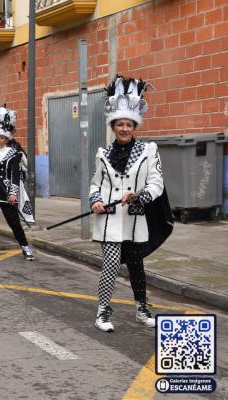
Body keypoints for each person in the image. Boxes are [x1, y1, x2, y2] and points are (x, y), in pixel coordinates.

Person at [90, 75, 167, 332]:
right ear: (113, 126)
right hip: (110, 219)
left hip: (135, 219)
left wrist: (139, 196)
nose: (124, 128)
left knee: (136, 264)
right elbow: (95, 184)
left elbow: (156, 184)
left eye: (129, 125)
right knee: (110, 264)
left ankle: (141, 308)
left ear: (135, 126)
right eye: (119, 124)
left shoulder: (148, 151)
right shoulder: (103, 154)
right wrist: (96, 201)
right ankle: (102, 312)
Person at [0, 106, 35, 262]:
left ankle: (25, 247)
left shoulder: (14, 154)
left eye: (2, 137)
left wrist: (14, 193)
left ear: (7, 139)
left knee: (14, 222)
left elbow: (15, 175)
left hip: (7, 193)